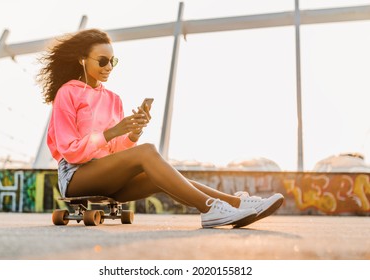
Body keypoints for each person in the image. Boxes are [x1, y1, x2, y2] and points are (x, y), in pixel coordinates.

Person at [37, 28, 284, 229]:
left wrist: (132, 133)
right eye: (102, 60)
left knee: (161, 173)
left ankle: (235, 204)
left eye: (113, 61)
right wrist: (113, 132)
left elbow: (113, 150)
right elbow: (69, 151)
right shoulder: (67, 94)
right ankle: (210, 209)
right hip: (76, 177)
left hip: (107, 176)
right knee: (147, 152)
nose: (109, 66)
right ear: (82, 59)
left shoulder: (113, 99)